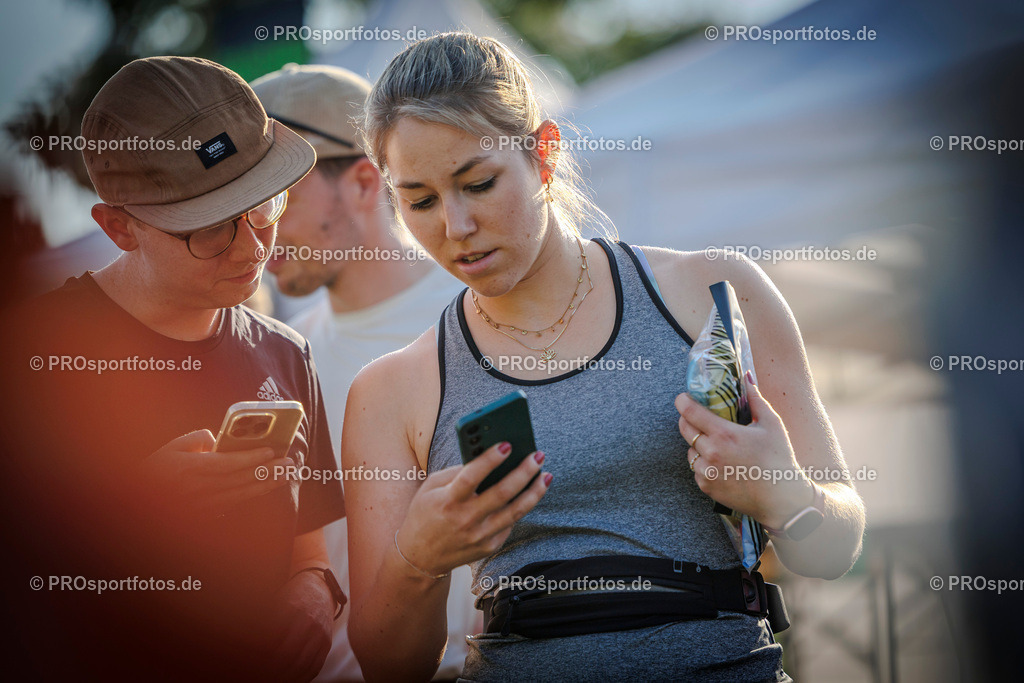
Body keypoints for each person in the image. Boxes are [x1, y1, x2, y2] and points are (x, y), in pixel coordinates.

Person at [340, 32, 867, 681]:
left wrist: (789, 493)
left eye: (477, 183)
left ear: (544, 153)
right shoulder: (391, 389)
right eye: (418, 199)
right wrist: (415, 558)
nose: (454, 225)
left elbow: (835, 548)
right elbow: (390, 664)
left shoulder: (713, 291)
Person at [0, 56, 346, 682]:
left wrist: (316, 595)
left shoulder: (286, 352)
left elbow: (310, 548)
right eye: (210, 229)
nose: (252, 247)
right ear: (118, 227)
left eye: (265, 206)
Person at [249, 63, 473, 682]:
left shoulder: (481, 318)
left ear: (366, 183)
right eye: (246, 201)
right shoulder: (282, 356)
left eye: (277, 197)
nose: (258, 227)